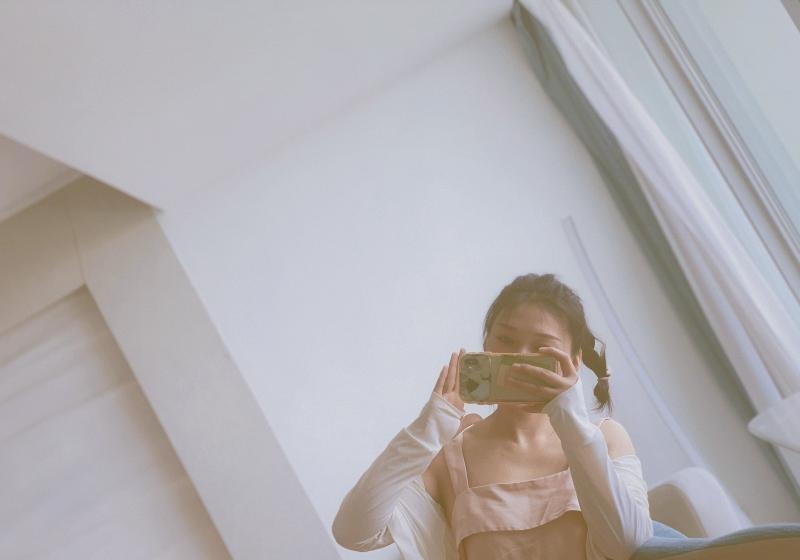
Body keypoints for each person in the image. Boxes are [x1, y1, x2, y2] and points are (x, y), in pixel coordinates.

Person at [331, 273, 800, 559]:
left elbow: (627, 545)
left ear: (573, 362)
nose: (520, 358)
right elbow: (353, 532)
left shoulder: (603, 438)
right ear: (484, 344)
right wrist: (430, 425)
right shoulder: (448, 454)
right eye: (505, 340)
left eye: (541, 349)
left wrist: (571, 423)